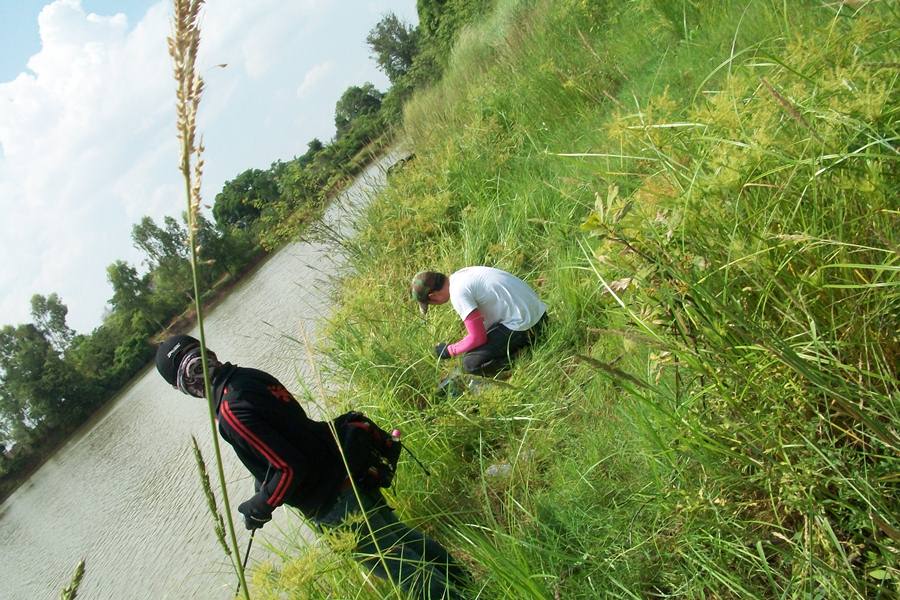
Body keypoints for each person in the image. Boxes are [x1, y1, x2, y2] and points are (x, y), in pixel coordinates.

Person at [155, 334, 467, 599]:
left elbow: (290, 467)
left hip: (331, 502)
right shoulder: (247, 377)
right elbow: (290, 435)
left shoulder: (229, 409)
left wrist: (260, 505)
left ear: (179, 387)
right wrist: (262, 480)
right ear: (208, 352)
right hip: (345, 472)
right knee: (402, 538)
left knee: (401, 570)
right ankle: (469, 586)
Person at [411, 266, 548, 376]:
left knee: (470, 364)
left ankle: (525, 356)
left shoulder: (458, 293)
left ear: (433, 296)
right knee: (477, 348)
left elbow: (478, 338)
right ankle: (528, 344)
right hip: (540, 315)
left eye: (431, 303)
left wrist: (449, 351)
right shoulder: (460, 276)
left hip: (529, 326)